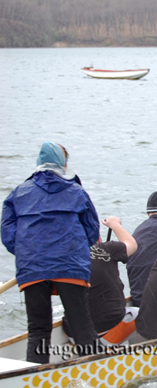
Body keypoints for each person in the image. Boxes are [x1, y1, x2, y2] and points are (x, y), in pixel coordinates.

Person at [1, 142, 99, 363]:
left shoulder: (19, 193)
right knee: (82, 328)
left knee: (38, 331)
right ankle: (96, 377)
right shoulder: (76, 192)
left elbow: (7, 234)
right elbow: (92, 231)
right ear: (62, 164)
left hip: (32, 267)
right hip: (70, 265)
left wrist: (28, 252)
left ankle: (35, 380)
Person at [63, 216, 138, 346]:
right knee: (141, 312)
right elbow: (132, 244)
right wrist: (115, 225)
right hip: (107, 332)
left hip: (75, 335)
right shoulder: (106, 249)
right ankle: (130, 354)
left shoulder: (64, 258)